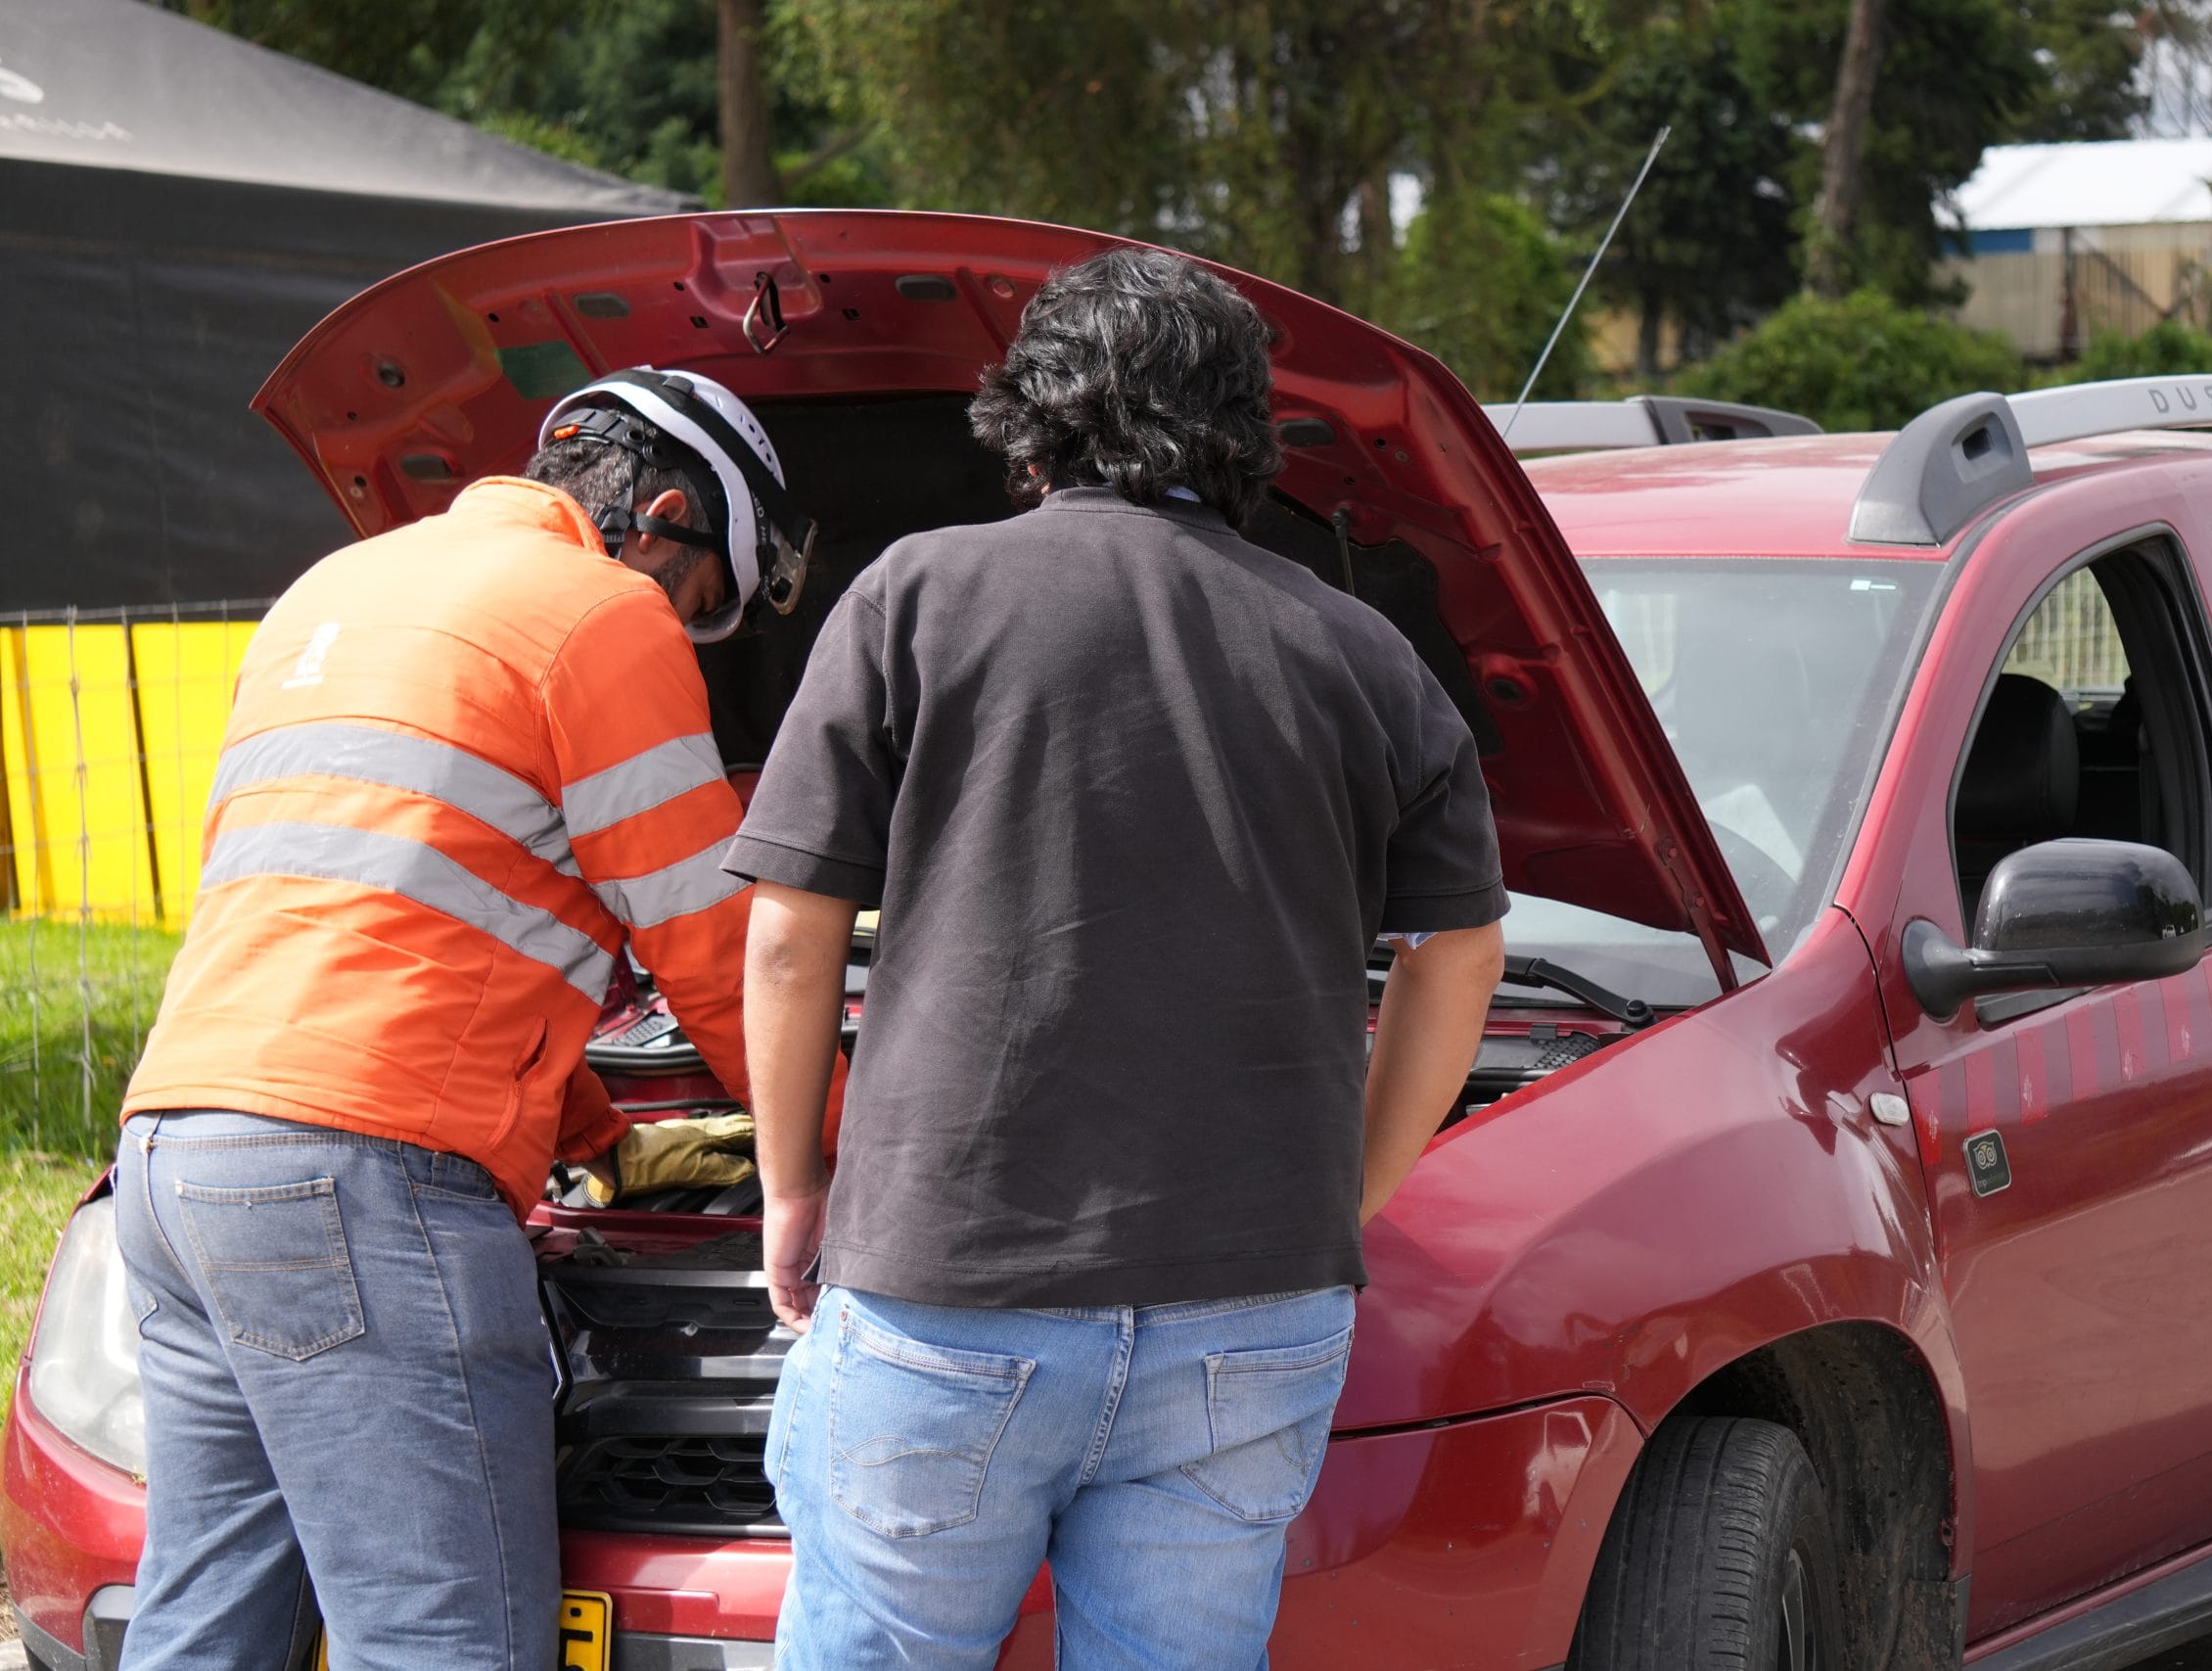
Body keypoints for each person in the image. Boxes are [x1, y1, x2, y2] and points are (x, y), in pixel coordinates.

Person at [730, 248, 1509, 1669]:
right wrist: (1347, 1195)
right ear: (1243, 431)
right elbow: (1459, 951)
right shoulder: (1364, 652)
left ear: (1033, 415)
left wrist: (794, 1187)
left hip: (948, 1294)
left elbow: (790, 932)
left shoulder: (917, 596)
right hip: (1254, 1313)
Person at [113, 366, 839, 1671]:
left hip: (178, 1157)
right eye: (701, 603)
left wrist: (599, 1133)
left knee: (207, 1623)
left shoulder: (332, 591)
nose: (686, 634)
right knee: (444, 1643)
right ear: (664, 520)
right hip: (359, 1180)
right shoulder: (601, 611)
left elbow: (400, 917)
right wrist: (836, 1141)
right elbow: (718, 953)